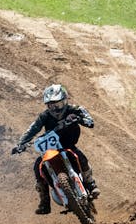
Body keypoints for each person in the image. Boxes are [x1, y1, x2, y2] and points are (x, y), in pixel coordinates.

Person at [11, 83, 100, 214]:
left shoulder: (74, 109)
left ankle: (91, 184)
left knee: (80, 157)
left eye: (57, 104)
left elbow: (90, 121)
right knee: (38, 166)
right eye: (51, 105)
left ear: (65, 101)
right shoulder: (44, 116)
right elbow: (32, 129)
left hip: (68, 145)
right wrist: (20, 144)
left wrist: (79, 119)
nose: (55, 109)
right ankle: (44, 202)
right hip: (51, 149)